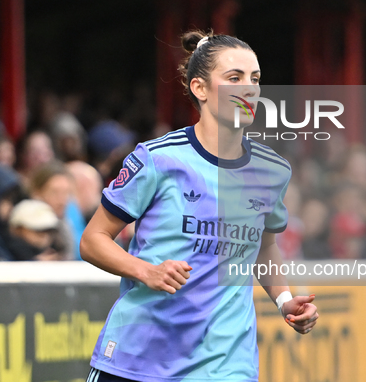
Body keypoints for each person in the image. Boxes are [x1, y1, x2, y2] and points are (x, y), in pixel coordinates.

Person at [80, 30, 318, 382]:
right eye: (233, 78)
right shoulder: (158, 159)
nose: (249, 89)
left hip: (225, 363)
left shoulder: (272, 170)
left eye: (255, 79)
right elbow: (92, 240)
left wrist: (285, 301)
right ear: (200, 88)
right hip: (139, 359)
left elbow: (264, 246)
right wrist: (147, 271)